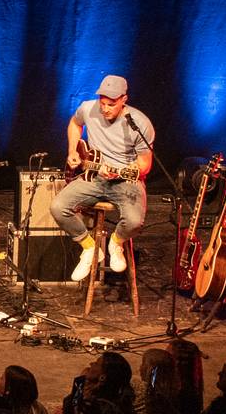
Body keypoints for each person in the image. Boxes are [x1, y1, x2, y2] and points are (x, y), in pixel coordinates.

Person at [51, 74, 156, 282]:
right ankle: (90, 248)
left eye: (111, 104)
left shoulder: (140, 123)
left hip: (126, 179)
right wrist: (72, 150)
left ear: (124, 99)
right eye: (103, 103)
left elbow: (145, 165)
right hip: (93, 176)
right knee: (58, 206)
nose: (105, 108)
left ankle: (115, 242)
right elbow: (74, 123)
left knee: (135, 221)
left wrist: (123, 170)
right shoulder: (88, 108)